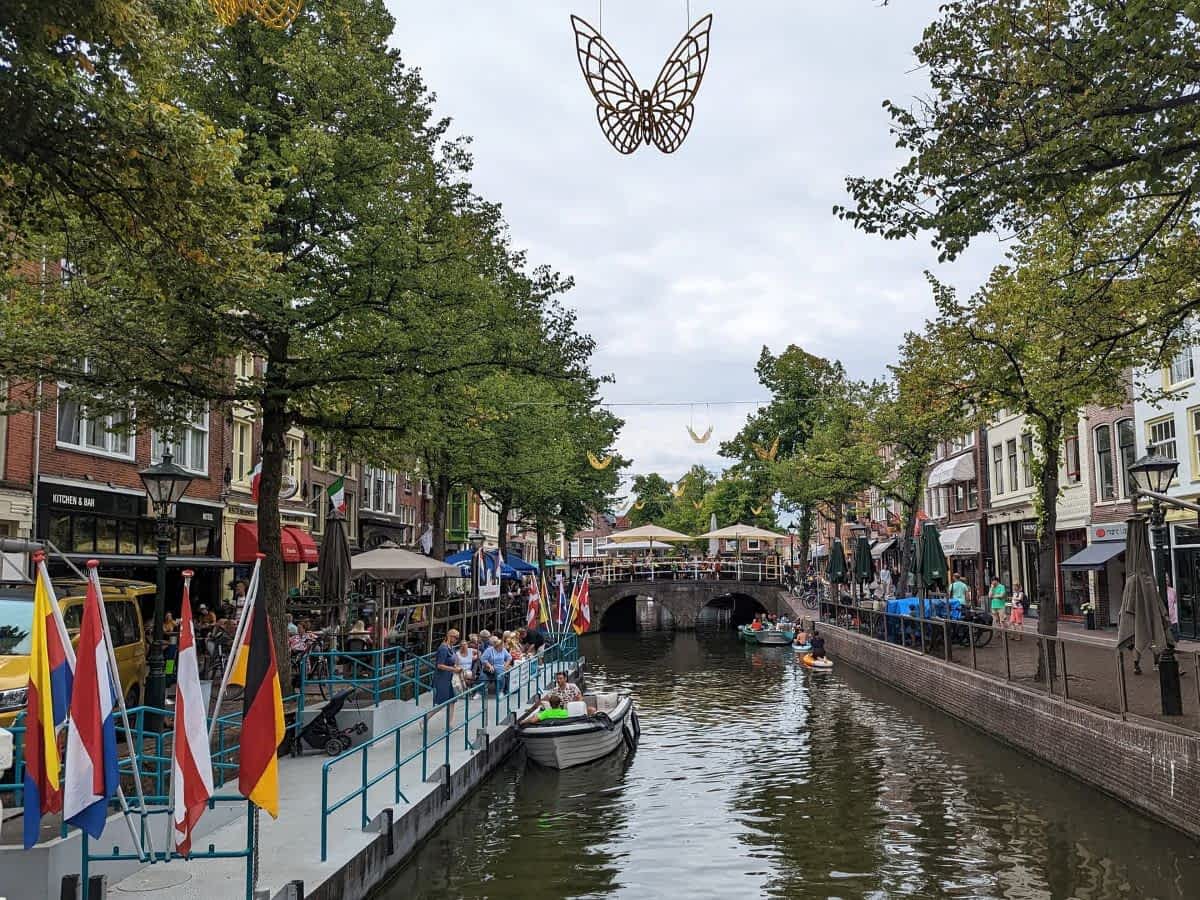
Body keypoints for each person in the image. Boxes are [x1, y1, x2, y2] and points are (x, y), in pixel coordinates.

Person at [433, 629, 460, 710]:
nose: (456, 639)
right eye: (455, 637)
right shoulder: (443, 648)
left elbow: (453, 659)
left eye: (457, 637)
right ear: (449, 636)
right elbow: (439, 665)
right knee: (441, 703)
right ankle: (424, 720)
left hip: (450, 678)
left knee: (452, 701)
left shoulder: (451, 647)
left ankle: (450, 722)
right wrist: (453, 669)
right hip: (442, 679)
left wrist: (455, 666)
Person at [1167, 575, 1181, 643]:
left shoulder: (1173, 591)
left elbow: (1175, 603)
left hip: (1173, 619)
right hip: (1164, 620)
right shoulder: (1157, 591)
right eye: (1164, 577)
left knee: (1176, 638)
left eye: (1167, 577)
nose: (1166, 579)